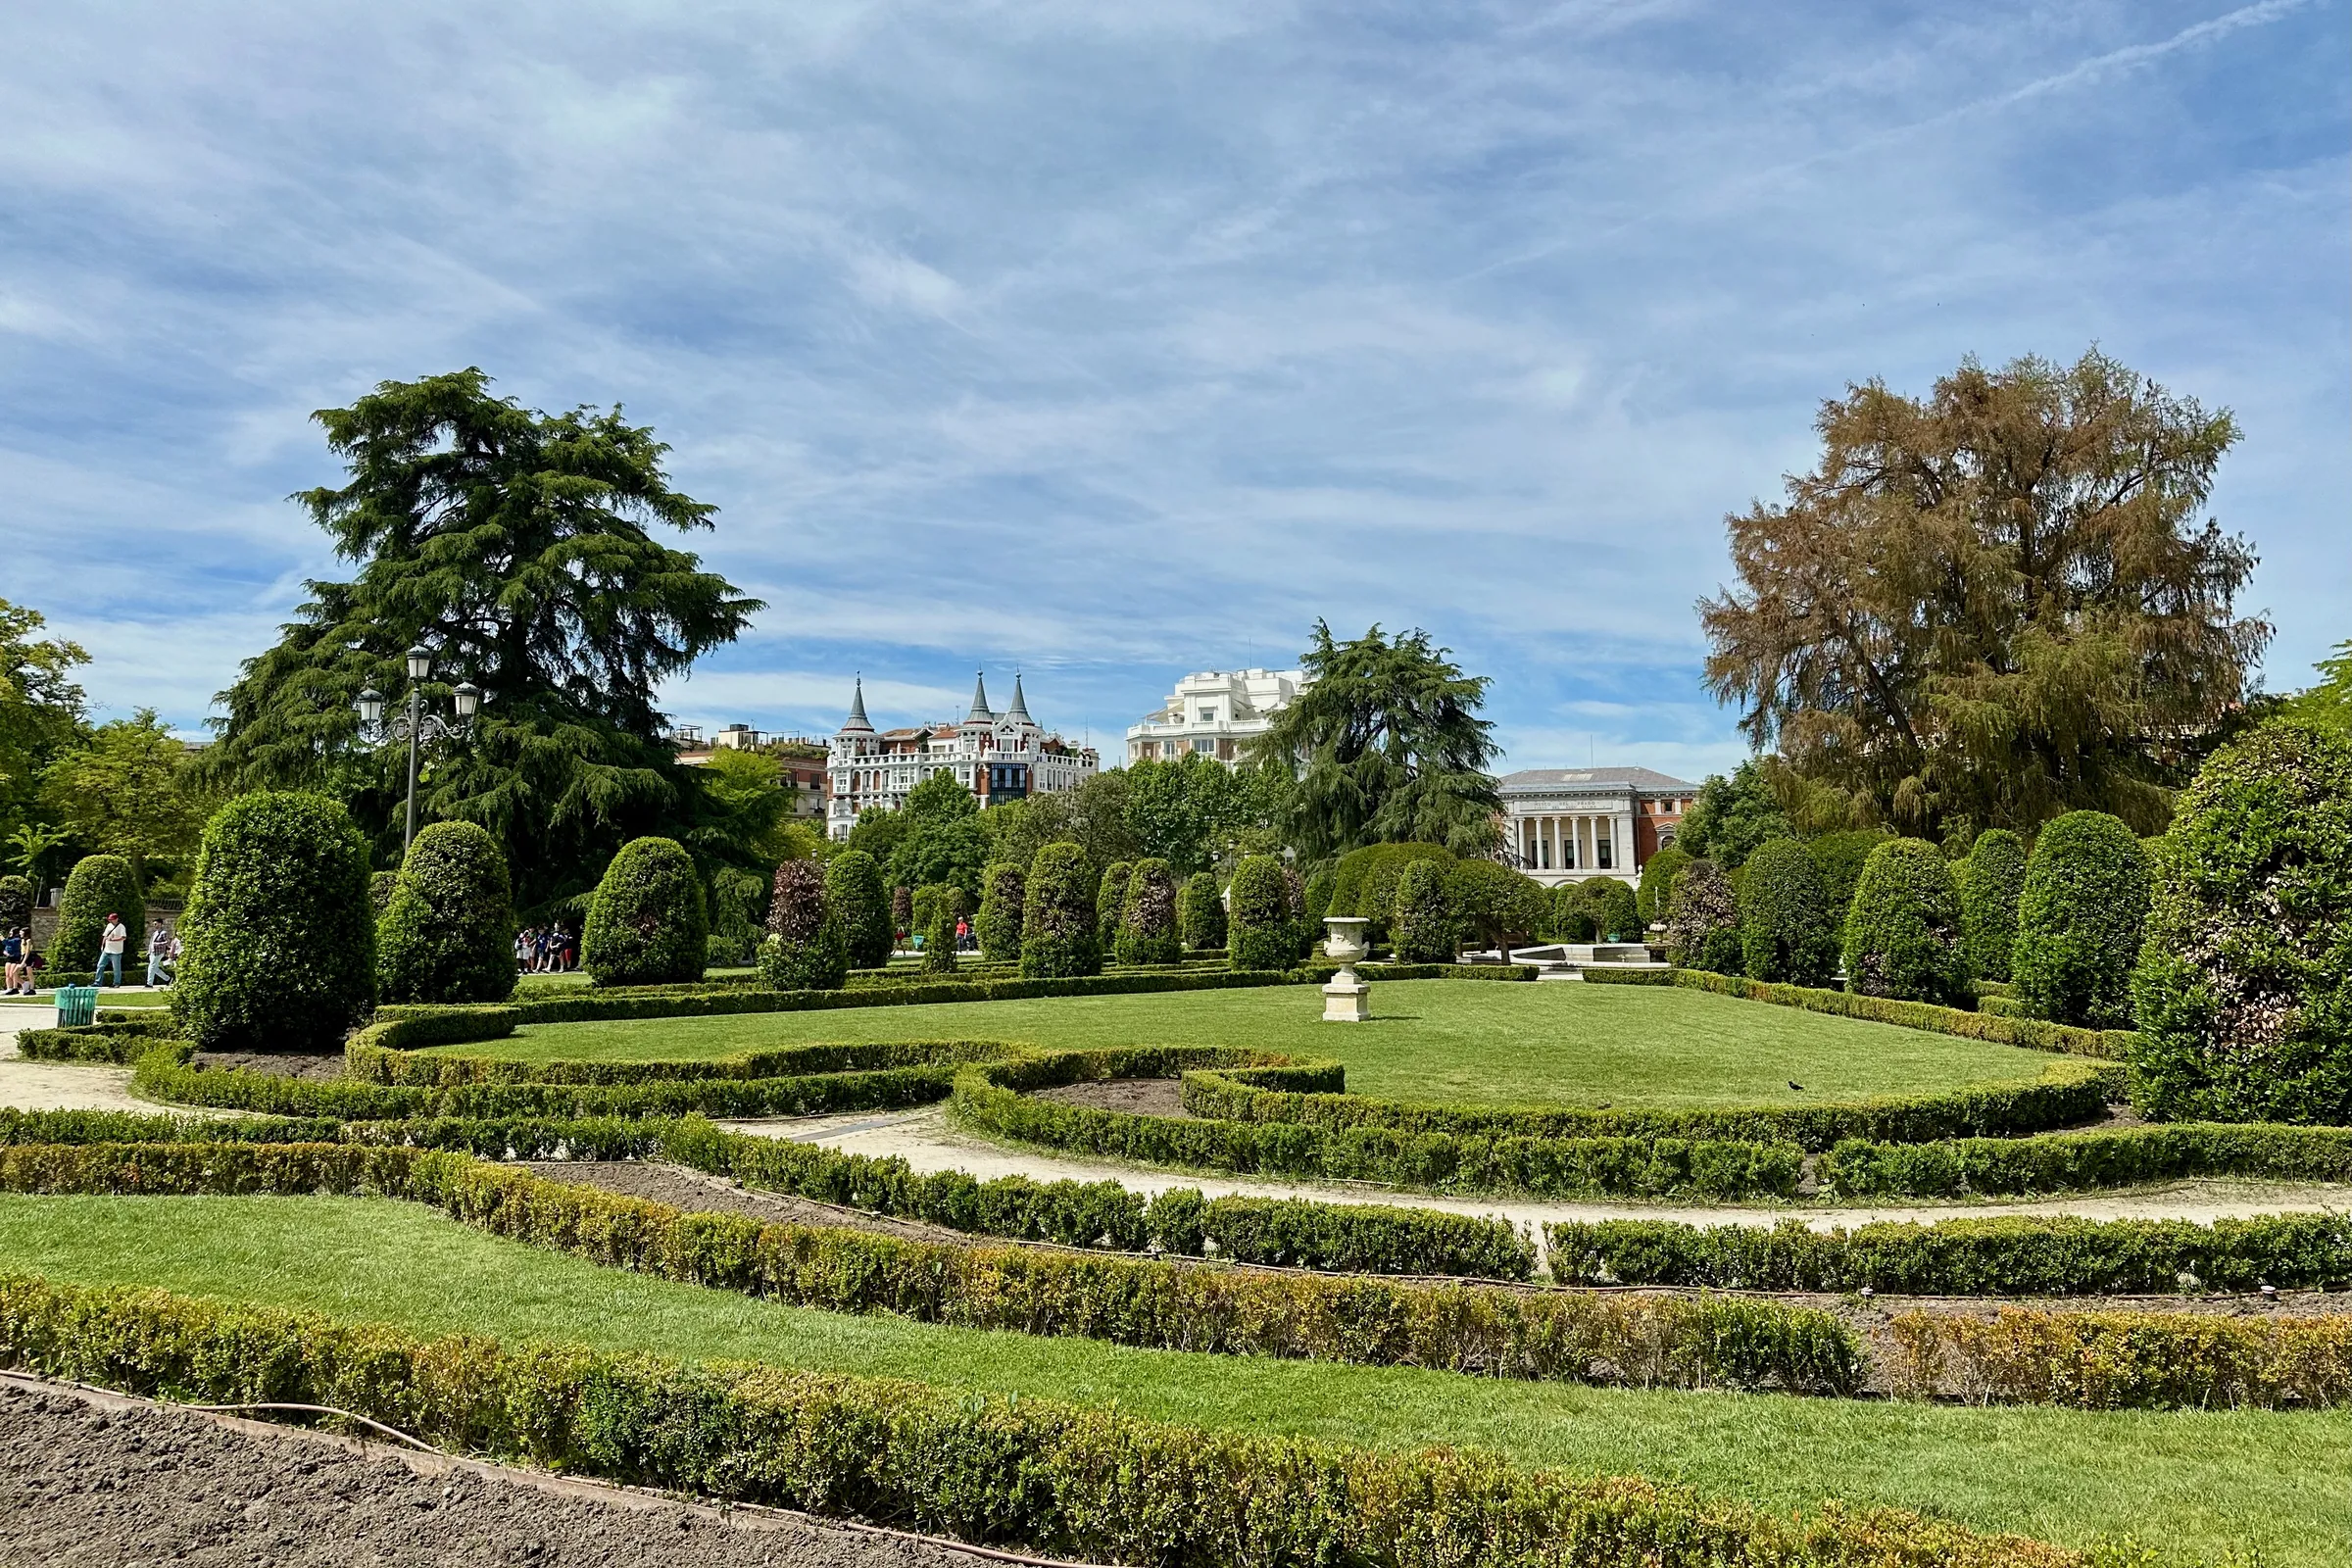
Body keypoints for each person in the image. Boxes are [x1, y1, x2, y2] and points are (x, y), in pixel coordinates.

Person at [94, 910, 127, 987]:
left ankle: (116, 983)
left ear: (116, 919)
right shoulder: (109, 926)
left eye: (112, 919)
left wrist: (113, 940)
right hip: (107, 950)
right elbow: (105, 936)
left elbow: (123, 937)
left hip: (116, 951)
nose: (110, 921)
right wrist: (102, 945)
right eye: (110, 919)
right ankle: (97, 982)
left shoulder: (121, 927)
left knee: (116, 968)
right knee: (100, 965)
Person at [145, 920, 172, 988]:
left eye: (156, 924)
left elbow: (166, 942)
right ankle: (168, 979)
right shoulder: (154, 933)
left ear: (160, 924)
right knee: (154, 968)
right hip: (152, 952)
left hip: (159, 952)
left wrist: (157, 944)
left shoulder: (163, 933)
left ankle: (149, 983)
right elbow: (151, 943)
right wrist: (149, 951)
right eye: (154, 924)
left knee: (151, 967)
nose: (154, 925)